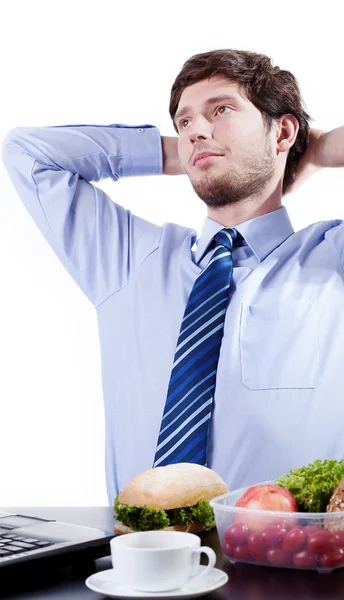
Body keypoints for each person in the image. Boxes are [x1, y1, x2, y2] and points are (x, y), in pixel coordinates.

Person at [2, 49, 344, 507]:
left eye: (221, 110)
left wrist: (315, 151)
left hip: (289, 562)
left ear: (281, 129)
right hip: (139, 564)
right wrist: (188, 154)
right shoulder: (127, 260)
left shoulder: (331, 259)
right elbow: (28, 153)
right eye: (185, 122)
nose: (197, 129)